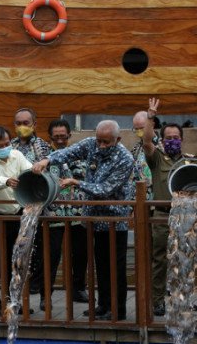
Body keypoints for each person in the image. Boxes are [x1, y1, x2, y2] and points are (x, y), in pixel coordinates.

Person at [33, 120, 134, 321]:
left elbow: (106, 189)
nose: (101, 146)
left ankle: (118, 309)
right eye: (99, 141)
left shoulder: (125, 158)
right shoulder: (91, 144)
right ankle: (103, 305)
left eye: (106, 142)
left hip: (114, 219)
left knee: (115, 266)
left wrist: (76, 182)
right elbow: (67, 153)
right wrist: (47, 160)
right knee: (101, 265)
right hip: (94, 218)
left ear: (118, 139)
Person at [30, 119, 88, 310]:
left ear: (69, 136)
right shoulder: (41, 158)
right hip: (51, 214)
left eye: (64, 137)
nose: (61, 140)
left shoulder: (80, 155)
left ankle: (78, 289)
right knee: (49, 256)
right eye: (57, 137)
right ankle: (45, 295)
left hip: (78, 213)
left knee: (80, 254)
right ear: (50, 137)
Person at [142, 99, 192, 317]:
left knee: (183, 259)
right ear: (162, 140)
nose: (173, 141)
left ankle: (182, 298)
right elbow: (146, 142)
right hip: (162, 218)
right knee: (160, 261)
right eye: (168, 138)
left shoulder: (189, 163)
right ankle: (157, 301)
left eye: (176, 138)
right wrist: (150, 116)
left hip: (184, 218)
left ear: (181, 140)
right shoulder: (157, 159)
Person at [0, 125, 33, 317]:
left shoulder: (17, 156)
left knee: (16, 262)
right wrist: (6, 181)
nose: (6, 147)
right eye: (1, 145)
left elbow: (29, 171)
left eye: (8, 143)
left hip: (16, 215)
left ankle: (16, 302)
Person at [11, 107, 52, 299]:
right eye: (18, 123)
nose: (21, 127)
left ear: (34, 124)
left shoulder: (43, 147)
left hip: (37, 205)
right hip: (14, 206)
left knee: (40, 254)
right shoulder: (9, 146)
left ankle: (44, 296)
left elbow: (50, 174)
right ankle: (19, 298)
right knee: (17, 254)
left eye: (25, 123)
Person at [130, 109, 154, 199]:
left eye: (141, 128)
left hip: (157, 199)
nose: (139, 132)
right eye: (136, 129)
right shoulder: (135, 149)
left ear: (151, 125)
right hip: (140, 198)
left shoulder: (162, 146)